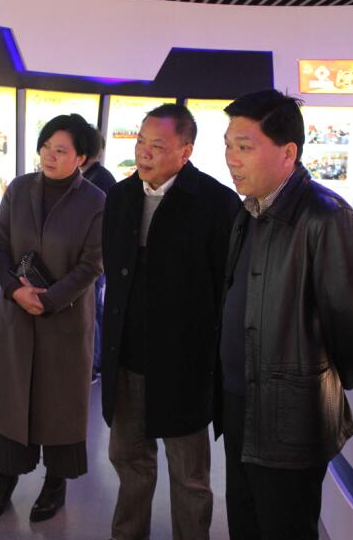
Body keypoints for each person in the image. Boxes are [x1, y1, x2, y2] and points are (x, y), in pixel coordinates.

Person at [214, 89, 353, 540]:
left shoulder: (327, 217)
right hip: (240, 404)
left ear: (288, 152)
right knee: (245, 522)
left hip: (290, 416)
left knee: (285, 527)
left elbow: (352, 324)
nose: (231, 158)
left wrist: (319, 382)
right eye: (228, 145)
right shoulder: (248, 211)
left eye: (244, 146)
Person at [101, 103, 241, 540]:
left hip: (184, 366)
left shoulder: (216, 204)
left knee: (190, 475)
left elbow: (228, 288)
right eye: (140, 142)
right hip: (127, 359)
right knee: (129, 463)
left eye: (157, 146)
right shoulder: (121, 197)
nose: (144, 152)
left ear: (186, 150)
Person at [0, 113, 104, 523]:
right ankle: (5, 478)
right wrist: (15, 290)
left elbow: (92, 264)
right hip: (17, 315)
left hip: (64, 320)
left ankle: (56, 484)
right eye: (46, 147)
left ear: (81, 157)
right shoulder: (19, 189)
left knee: (60, 405)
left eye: (61, 150)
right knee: (11, 399)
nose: (49, 156)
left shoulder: (95, 201)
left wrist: (50, 299)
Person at [81, 124, 116, 380]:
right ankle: (100, 362)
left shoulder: (96, 182)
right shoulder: (100, 177)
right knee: (97, 308)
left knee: (92, 308)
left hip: (95, 257)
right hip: (101, 255)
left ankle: (94, 365)